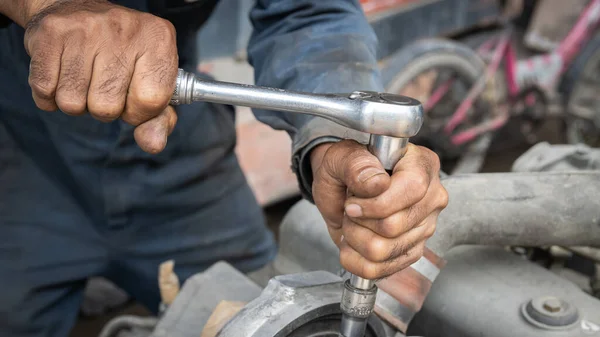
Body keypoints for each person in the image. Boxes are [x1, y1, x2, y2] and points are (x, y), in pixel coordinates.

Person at [0, 0, 448, 336]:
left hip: (183, 156)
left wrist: (336, 135)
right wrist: (43, 6)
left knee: (257, 304)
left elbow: (308, 11)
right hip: (27, 157)